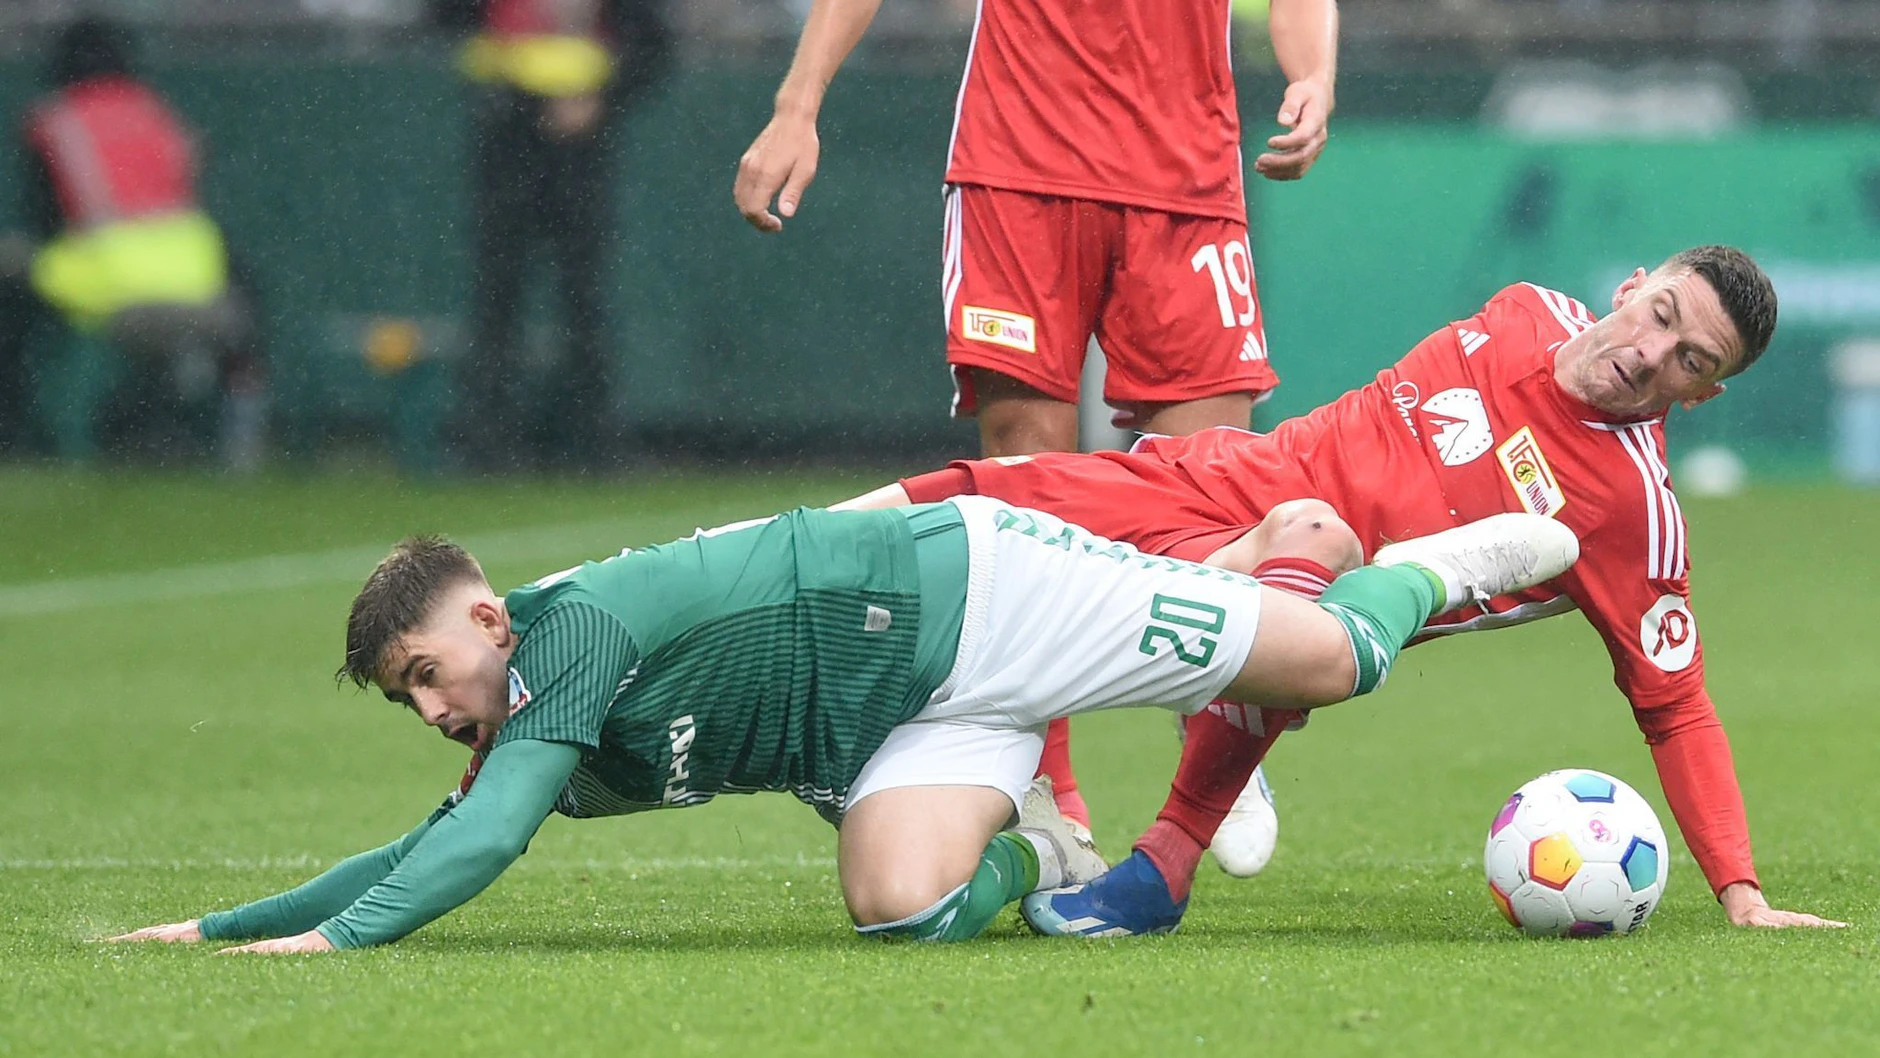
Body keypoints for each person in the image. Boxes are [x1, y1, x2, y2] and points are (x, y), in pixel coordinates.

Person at [842, 245, 1848, 934]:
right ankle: (796, 549)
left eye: (1687, 361)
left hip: (1323, 594)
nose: (1647, 352)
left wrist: (1738, 887)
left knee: (1265, 631)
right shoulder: (1523, 307)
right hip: (1241, 473)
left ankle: (1161, 860)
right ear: (1632, 284)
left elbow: (1673, 700)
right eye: (1659, 315)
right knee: (1015, 500)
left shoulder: (1631, 509)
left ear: (1701, 393)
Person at [105, 497, 1577, 952]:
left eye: (427, 672)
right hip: (898, 730)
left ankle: (1428, 562)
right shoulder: (525, 721)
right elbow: (429, 839)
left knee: (1325, 665)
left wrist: (337, 951)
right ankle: (1048, 848)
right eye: (406, 696)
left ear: (489, 625)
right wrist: (227, 931)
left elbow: (477, 842)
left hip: (979, 600)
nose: (429, 709)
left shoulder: (576, 631)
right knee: (901, 912)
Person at [735, 0, 1340, 849]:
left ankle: (1215, 726)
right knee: (1026, 486)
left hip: (1186, 174)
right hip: (1017, 163)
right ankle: (1045, 785)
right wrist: (797, 107)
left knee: (1216, 481)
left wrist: (1314, 76)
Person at [0, 16, 265, 468]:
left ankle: (20, 428)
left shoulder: (55, 120)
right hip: (196, 279)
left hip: (107, 278)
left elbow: (44, 218)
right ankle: (239, 431)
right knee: (248, 296)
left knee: (13, 273)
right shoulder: (158, 114)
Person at [431, 0, 671, 472]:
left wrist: (602, 97)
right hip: (506, 138)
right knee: (498, 302)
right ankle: (486, 443)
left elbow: (655, 49)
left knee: (582, 302)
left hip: (578, 153)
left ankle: (593, 445)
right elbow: (446, 21)